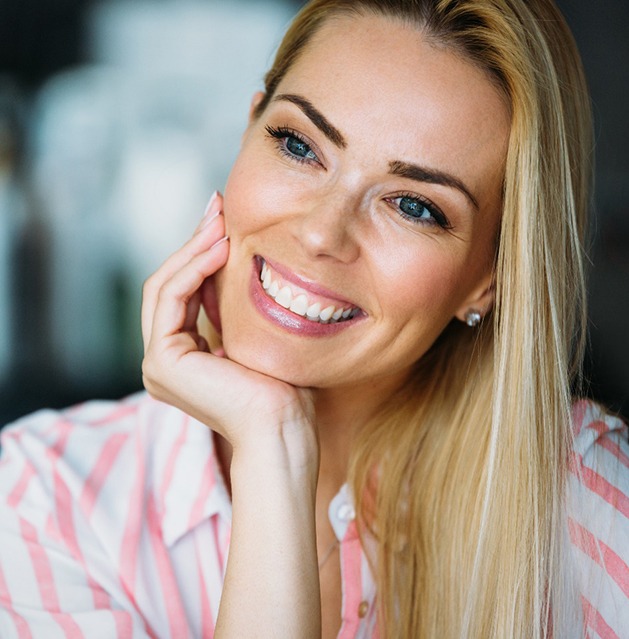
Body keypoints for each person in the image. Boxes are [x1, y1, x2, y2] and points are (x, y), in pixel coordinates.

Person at [1, 0, 627, 637]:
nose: (323, 232)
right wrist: (272, 442)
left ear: (491, 278)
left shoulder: (581, 504)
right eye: (299, 145)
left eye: (413, 206)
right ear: (247, 133)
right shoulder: (40, 498)